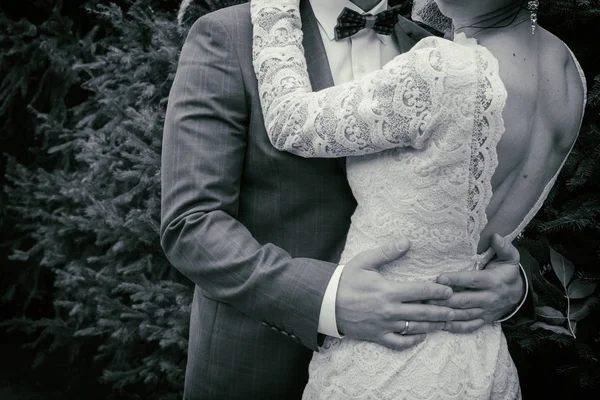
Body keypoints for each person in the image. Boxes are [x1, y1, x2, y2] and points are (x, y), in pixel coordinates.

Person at [160, 0, 534, 398]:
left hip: (409, 372)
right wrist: (327, 299)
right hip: (259, 365)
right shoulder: (231, 34)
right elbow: (192, 222)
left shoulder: (437, 52)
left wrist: (514, 283)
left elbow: (479, 194)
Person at [250, 0, 586, 398]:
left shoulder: (442, 68)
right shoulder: (567, 69)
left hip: (388, 360)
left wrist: (272, 8)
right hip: (482, 358)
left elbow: (291, 122)